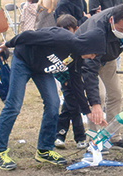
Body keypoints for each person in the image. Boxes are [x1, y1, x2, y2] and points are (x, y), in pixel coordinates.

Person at [0, 26, 106, 171]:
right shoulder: (61, 38)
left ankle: (44, 150)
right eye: (94, 53)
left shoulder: (77, 57)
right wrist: (8, 44)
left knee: (53, 103)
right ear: (87, 45)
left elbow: (76, 84)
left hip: (41, 70)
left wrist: (87, 111)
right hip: (23, 60)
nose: (93, 57)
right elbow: (28, 35)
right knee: (14, 105)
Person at [75, 4, 123, 149]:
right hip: (87, 57)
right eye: (121, 29)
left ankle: (112, 137)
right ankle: (94, 138)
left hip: (108, 58)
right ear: (111, 20)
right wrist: (95, 104)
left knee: (116, 94)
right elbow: (89, 70)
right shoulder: (96, 30)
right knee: (99, 95)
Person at [54, 14, 87, 149]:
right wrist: (65, 80)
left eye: (68, 30)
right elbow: (57, 66)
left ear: (75, 29)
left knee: (69, 108)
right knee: (73, 109)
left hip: (78, 82)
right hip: (67, 82)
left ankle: (59, 135)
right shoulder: (57, 46)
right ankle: (80, 138)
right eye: (62, 30)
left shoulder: (77, 44)